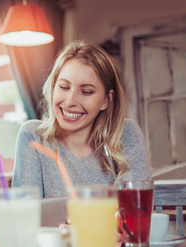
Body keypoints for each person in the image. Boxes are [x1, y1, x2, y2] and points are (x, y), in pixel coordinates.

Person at [12, 40, 152, 198]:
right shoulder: (33, 136)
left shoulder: (126, 134)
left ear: (106, 99)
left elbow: (136, 208)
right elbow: (26, 214)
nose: (70, 101)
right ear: (53, 87)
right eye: (64, 87)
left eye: (86, 92)